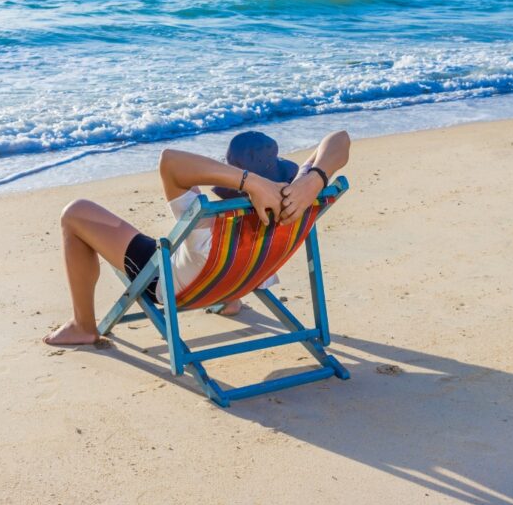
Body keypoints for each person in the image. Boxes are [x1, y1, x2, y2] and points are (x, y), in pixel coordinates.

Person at [43, 130, 351, 346]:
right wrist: (314, 179)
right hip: (247, 275)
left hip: (178, 284)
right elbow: (340, 139)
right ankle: (231, 301)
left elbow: (170, 161)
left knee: (75, 212)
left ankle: (83, 326)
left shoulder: (207, 227)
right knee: (228, 248)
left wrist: (250, 183)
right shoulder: (298, 198)